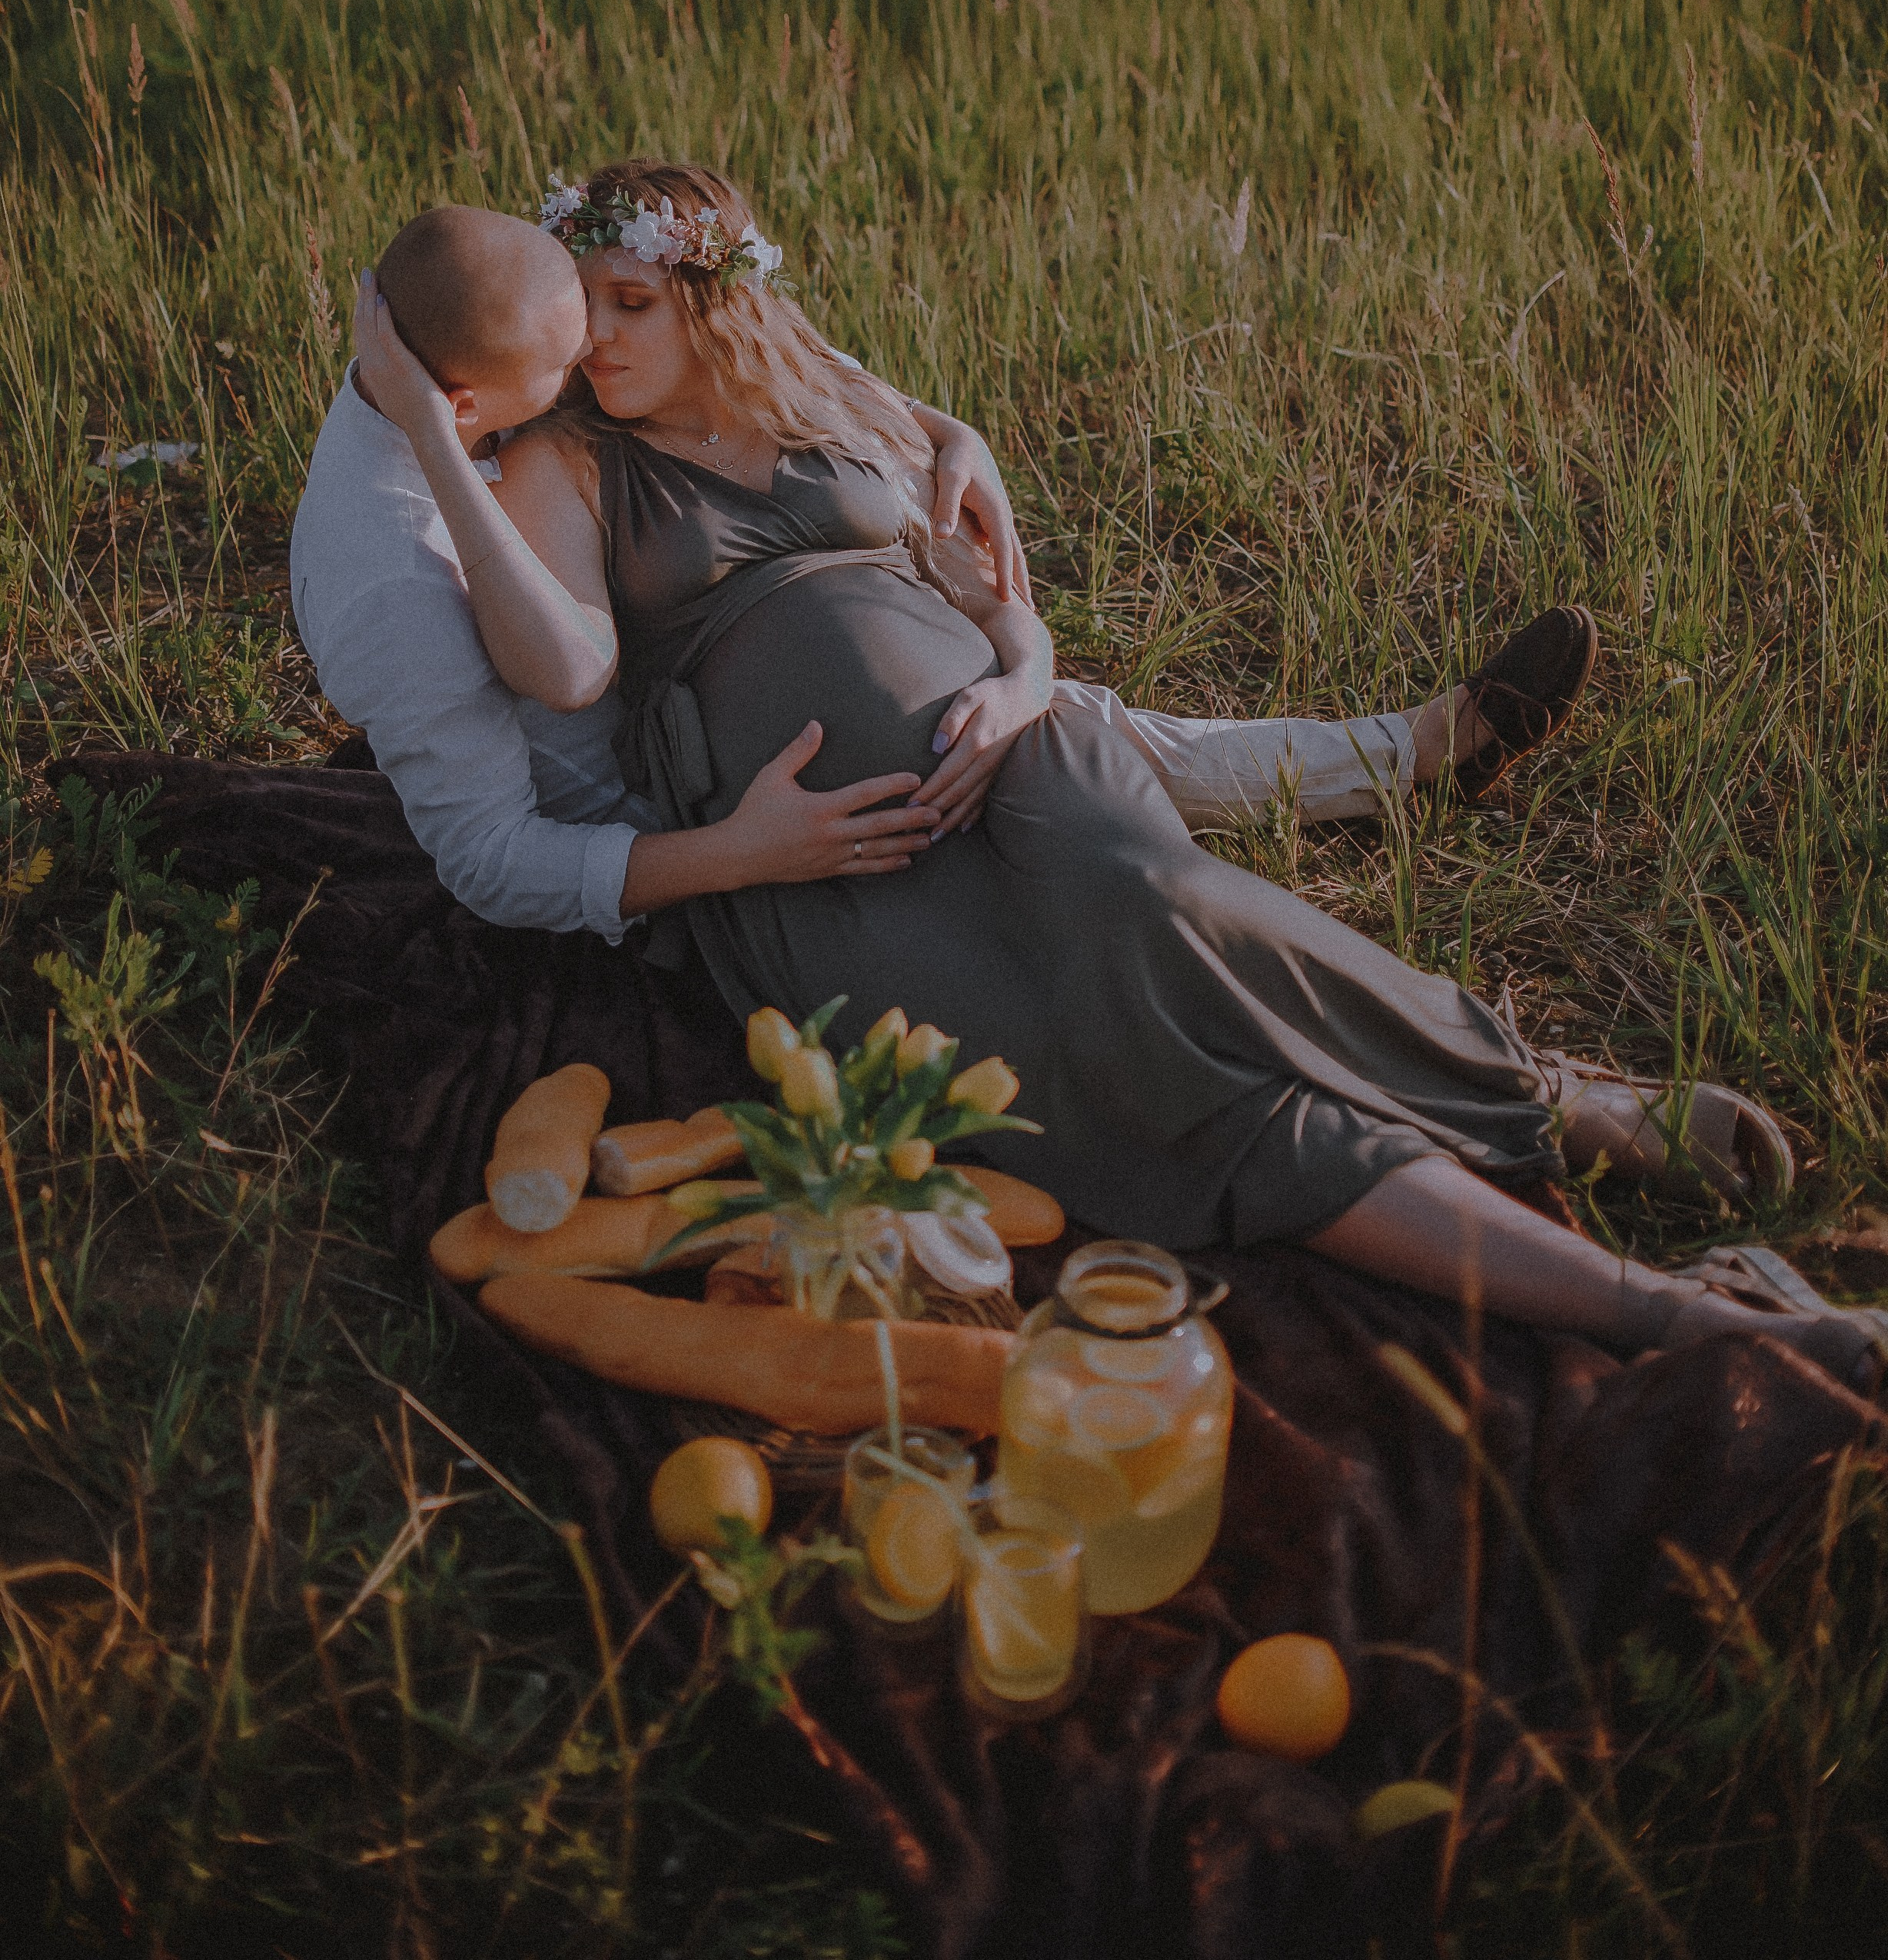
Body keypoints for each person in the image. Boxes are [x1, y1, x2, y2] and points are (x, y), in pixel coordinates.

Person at [354, 160, 1876, 1388]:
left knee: (1153, 893)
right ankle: (1653, 1306)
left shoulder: (798, 382)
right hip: (825, 848)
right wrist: (430, 426)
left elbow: (972, 519)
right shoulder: (570, 461)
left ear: (712, 301)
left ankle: (1541, 1093)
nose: (595, 342)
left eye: (630, 304)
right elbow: (559, 668)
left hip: (1006, 738)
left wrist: (1020, 682)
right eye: (585, 309)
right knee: (1147, 1080)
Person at [292, 204, 1583, 945]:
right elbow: (506, 853)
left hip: (801, 695)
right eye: (564, 367)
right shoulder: (396, 566)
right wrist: (735, 856)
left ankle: (1401, 758)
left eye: (606, 319)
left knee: (1056, 728)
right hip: (669, 821)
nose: (588, 374)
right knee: (1053, 776)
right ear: (467, 411)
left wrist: (945, 432)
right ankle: (1370, 792)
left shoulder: (495, 359)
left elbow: (722, 338)